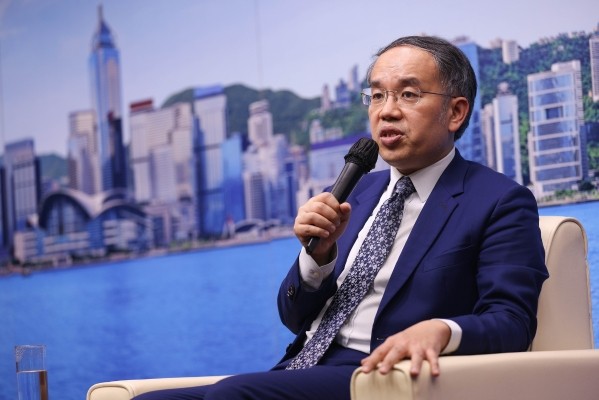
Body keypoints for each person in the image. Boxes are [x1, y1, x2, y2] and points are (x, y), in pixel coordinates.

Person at [134, 35, 548, 400]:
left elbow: (511, 323)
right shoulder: (358, 192)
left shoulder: (499, 202)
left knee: (234, 394)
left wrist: (441, 330)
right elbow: (294, 319)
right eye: (377, 96)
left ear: (455, 112)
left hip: (384, 377)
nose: (387, 111)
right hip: (302, 370)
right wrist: (318, 258)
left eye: (408, 95)